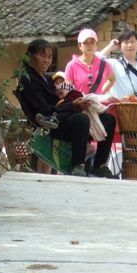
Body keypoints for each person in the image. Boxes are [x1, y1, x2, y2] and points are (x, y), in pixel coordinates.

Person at [15, 38, 115, 177]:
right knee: (81, 119)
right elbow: (44, 109)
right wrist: (72, 106)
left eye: (49, 57)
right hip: (49, 125)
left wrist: (73, 103)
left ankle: (99, 165)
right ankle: (77, 165)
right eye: (42, 55)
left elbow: (57, 103)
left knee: (108, 120)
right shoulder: (27, 79)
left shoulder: (47, 79)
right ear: (31, 56)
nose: (46, 60)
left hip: (60, 116)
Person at [64, 28, 115, 95]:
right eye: (85, 42)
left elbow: (112, 79)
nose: (89, 45)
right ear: (80, 46)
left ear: (96, 44)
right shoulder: (71, 66)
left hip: (98, 104)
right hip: (80, 104)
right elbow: (67, 90)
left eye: (92, 42)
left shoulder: (104, 64)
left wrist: (102, 92)